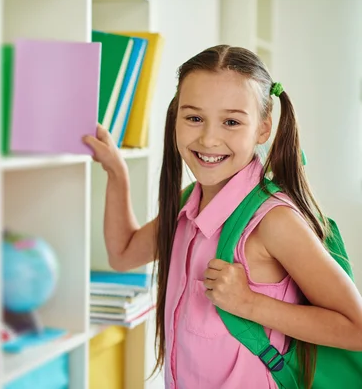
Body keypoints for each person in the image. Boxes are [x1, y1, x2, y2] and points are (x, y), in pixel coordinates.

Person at [83, 44, 362, 389]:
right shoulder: (190, 203)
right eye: (194, 118)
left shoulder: (273, 221)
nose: (209, 138)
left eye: (231, 122)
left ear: (262, 129)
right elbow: (123, 254)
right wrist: (116, 172)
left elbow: (356, 328)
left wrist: (249, 303)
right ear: (175, 119)